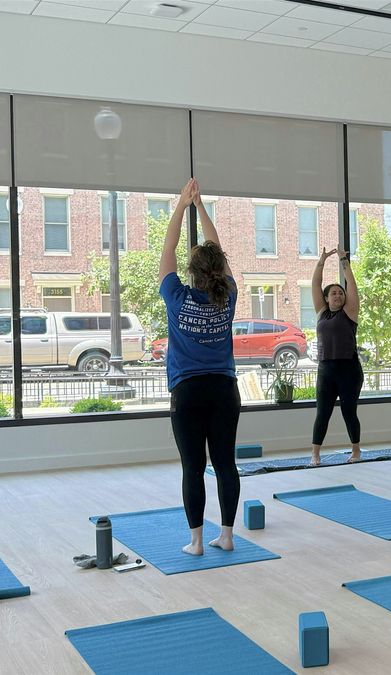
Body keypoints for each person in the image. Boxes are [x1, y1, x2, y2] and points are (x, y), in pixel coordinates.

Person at [159, 178, 240, 556]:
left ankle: (195, 542)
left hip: (188, 392)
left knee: (193, 467)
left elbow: (168, 246)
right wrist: (201, 207)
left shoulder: (176, 296)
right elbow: (217, 247)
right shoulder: (229, 296)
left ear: (191, 272)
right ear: (220, 269)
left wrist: (182, 205)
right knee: (225, 464)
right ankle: (226, 535)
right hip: (224, 390)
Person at [309, 246, 363, 466]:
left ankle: (356, 450)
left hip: (349, 370)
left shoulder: (350, 312)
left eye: (341, 292)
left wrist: (344, 260)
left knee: (349, 412)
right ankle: (315, 454)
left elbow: (353, 285)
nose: (338, 295)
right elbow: (314, 284)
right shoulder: (322, 312)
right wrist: (321, 261)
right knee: (322, 413)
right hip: (326, 370)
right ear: (327, 298)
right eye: (334, 293)